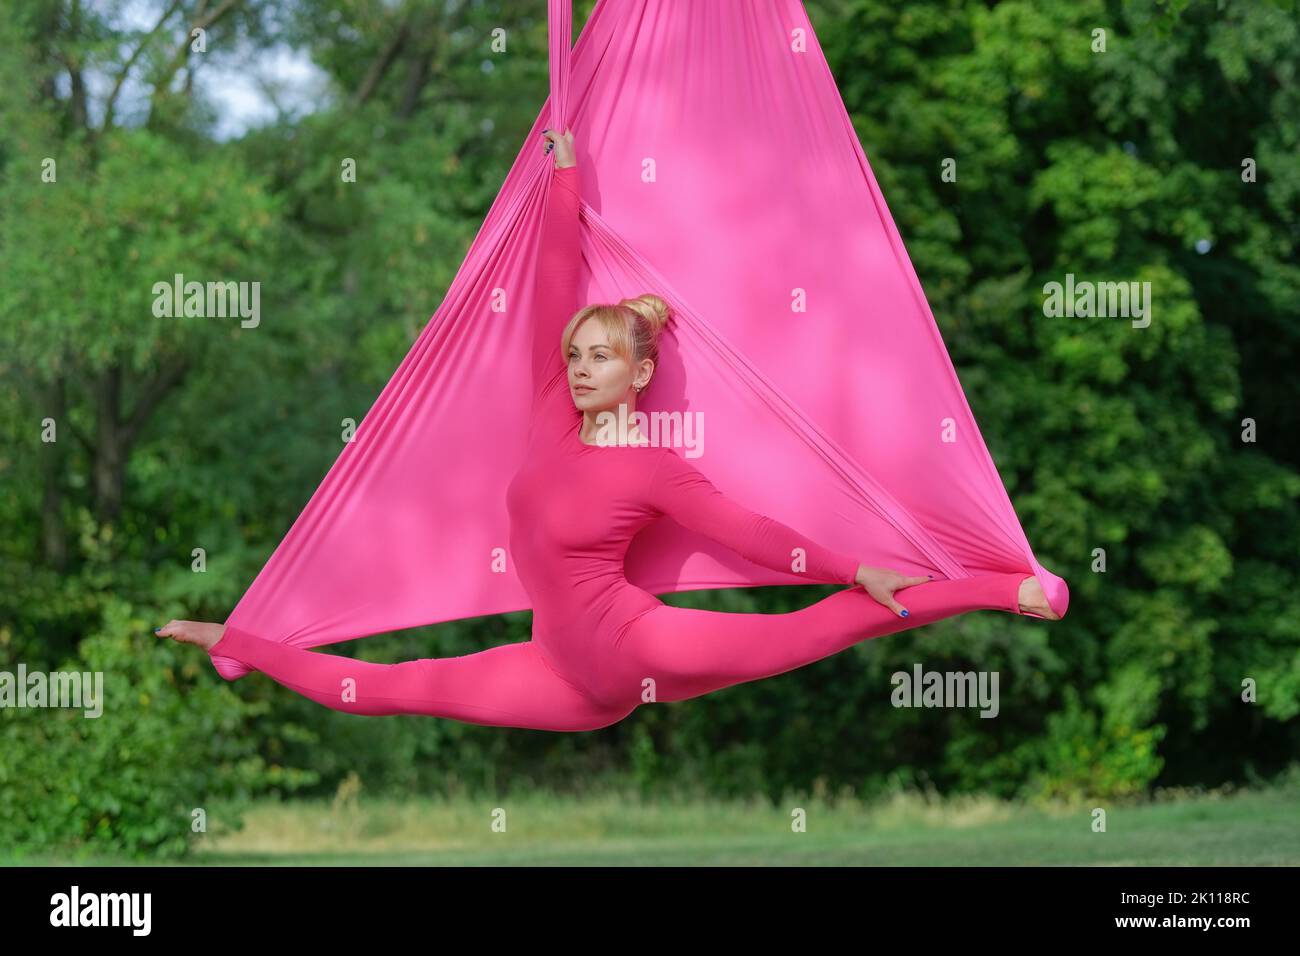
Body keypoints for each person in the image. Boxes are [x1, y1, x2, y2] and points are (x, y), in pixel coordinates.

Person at [158, 127, 1058, 732]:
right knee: (395, 688)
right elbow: (552, 281)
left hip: (639, 644)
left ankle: (1006, 590)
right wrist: (562, 177)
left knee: (820, 628)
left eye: (600, 358)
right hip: (563, 676)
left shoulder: (654, 467)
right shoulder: (553, 414)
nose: (581, 367)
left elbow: (755, 537)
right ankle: (242, 653)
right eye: (577, 356)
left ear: (639, 373)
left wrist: (850, 562)